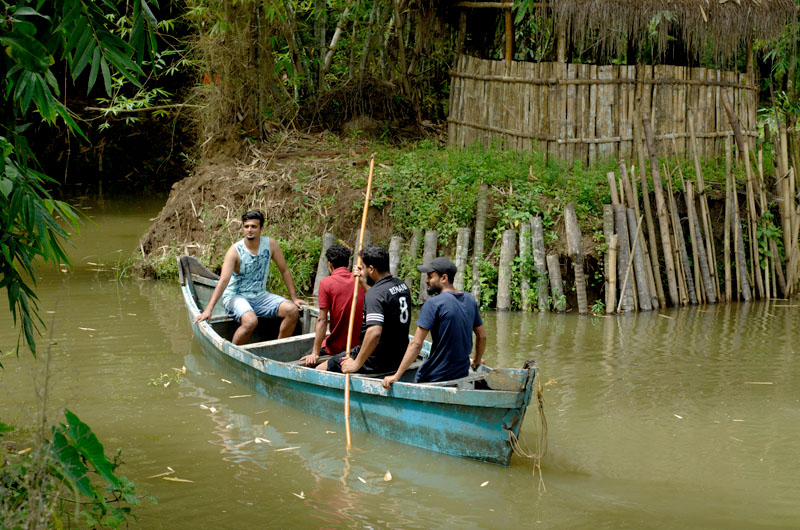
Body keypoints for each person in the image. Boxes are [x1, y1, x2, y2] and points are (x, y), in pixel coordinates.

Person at [193, 210, 306, 344]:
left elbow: (284, 270)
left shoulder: (270, 245)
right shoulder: (235, 251)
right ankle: (234, 354)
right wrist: (208, 309)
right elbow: (223, 281)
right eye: (246, 227)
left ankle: (277, 347)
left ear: (261, 228)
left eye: (253, 226)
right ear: (243, 228)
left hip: (260, 296)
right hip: (236, 296)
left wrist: (294, 298)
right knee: (251, 321)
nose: (249, 230)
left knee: (292, 311)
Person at [382, 256, 486, 389]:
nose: (426, 280)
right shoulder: (470, 300)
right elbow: (482, 336)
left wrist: (396, 376)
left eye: (430, 276)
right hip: (461, 374)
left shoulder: (434, 304)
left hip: (434, 377)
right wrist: (477, 360)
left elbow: (416, 344)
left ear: (444, 278)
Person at [318, 245, 411, 376]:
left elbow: (374, 332)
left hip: (376, 360)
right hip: (399, 355)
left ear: (371, 269)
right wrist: (364, 284)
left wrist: (356, 364)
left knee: (320, 369)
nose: (362, 270)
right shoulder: (401, 285)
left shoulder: (376, 294)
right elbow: (380, 302)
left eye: (365, 267)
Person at [300, 244, 365, 367]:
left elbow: (322, 319)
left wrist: (315, 353)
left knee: (304, 358)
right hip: (360, 346)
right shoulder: (361, 280)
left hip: (338, 348)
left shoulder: (326, 283)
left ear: (330, 265)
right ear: (348, 264)